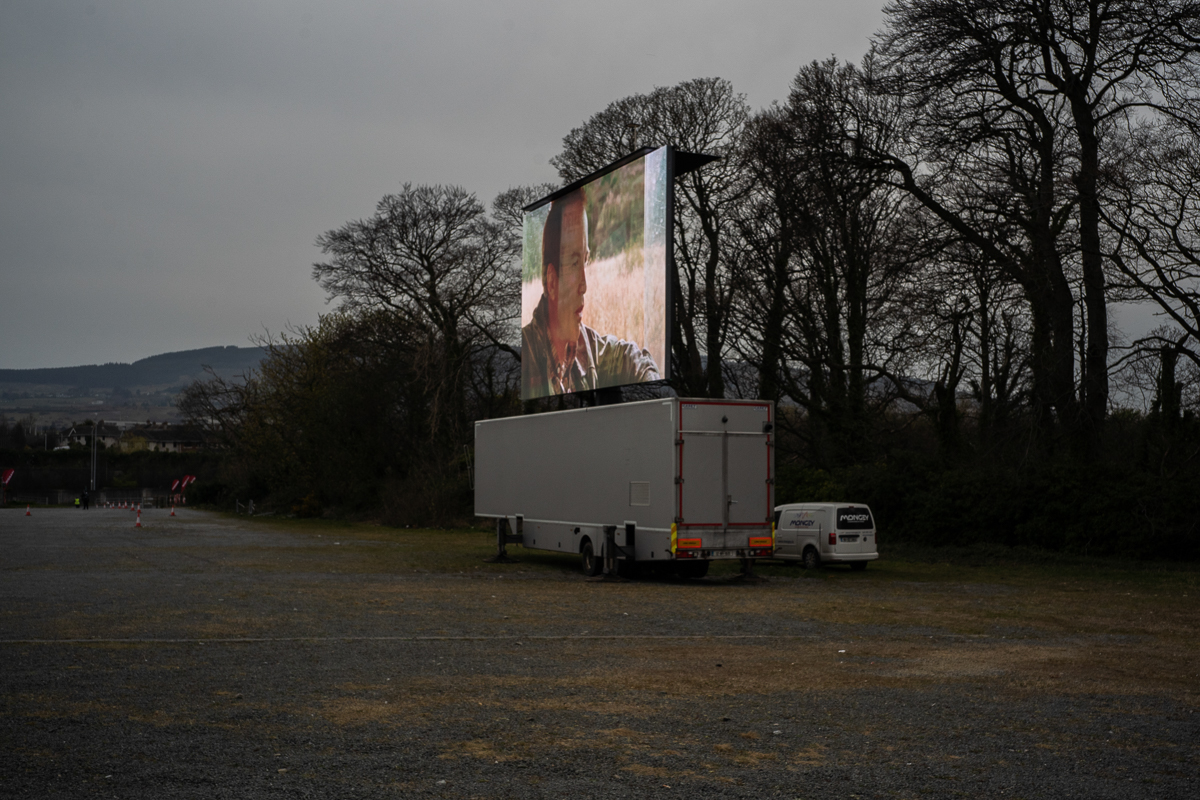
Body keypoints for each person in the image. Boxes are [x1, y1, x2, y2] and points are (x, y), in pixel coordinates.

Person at [521, 191, 660, 399]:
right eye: (574, 263)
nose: (584, 285)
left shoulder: (590, 348)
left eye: (585, 260)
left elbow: (636, 361)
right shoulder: (526, 355)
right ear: (551, 282)